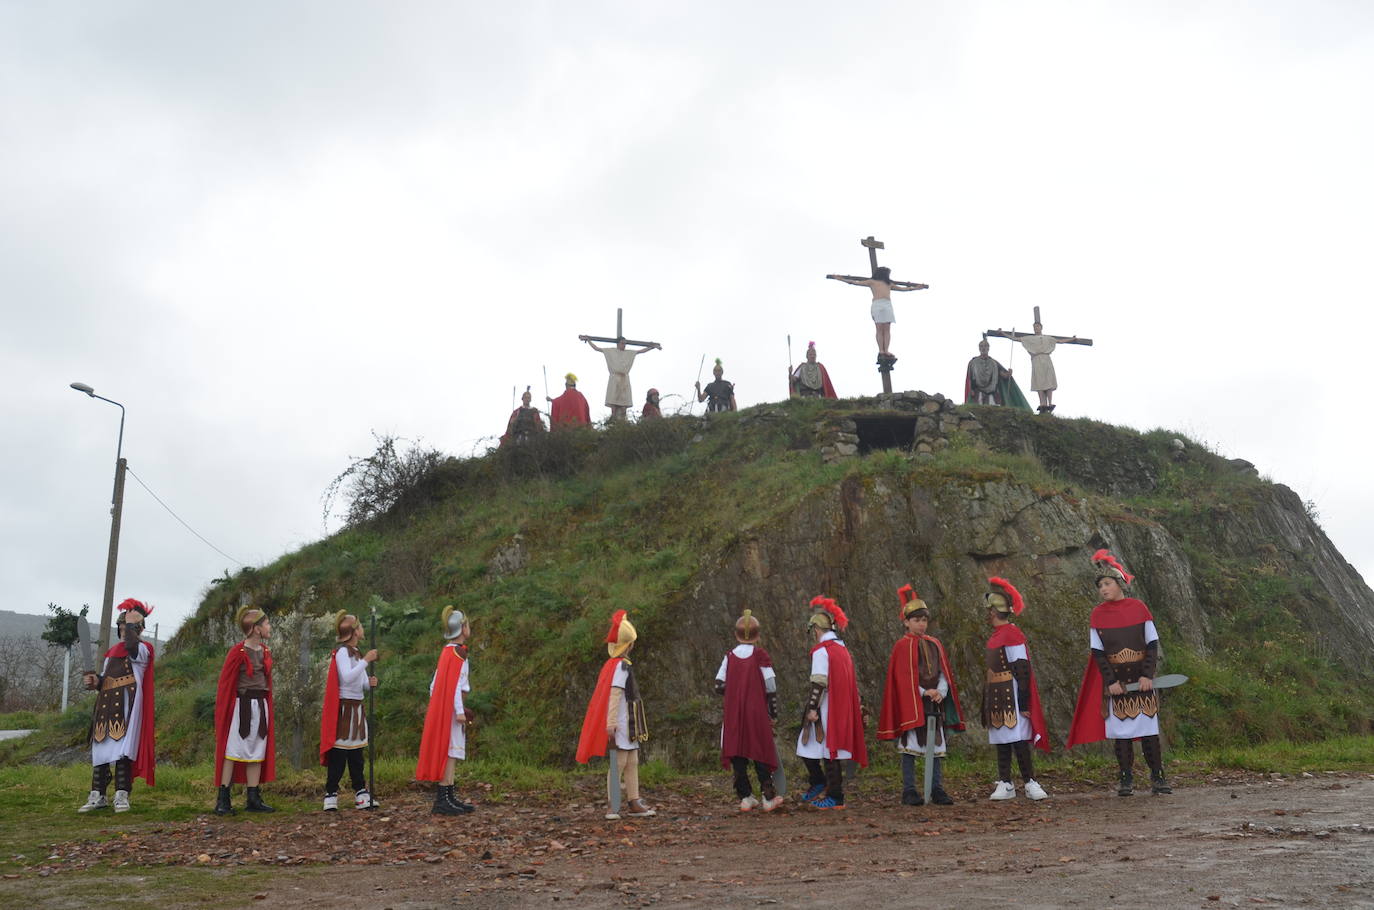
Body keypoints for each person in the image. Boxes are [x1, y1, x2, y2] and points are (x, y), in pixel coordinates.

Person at [1067, 550, 1172, 796]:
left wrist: (1147, 675)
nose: (1102, 589)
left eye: (1107, 583)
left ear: (1119, 584)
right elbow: (1098, 653)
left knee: (1148, 732)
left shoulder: (1139, 608)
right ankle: (1126, 779)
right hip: (1117, 683)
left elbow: (1152, 645)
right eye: (1100, 585)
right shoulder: (1097, 614)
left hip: (1141, 679)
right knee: (1122, 735)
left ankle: (1158, 778)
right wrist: (1110, 681)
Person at [877, 585, 964, 806]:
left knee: (935, 748)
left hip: (935, 705)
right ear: (906, 622)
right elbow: (902, 680)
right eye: (916, 620)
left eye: (924, 620)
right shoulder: (901, 646)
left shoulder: (935, 643)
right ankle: (909, 790)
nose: (921, 624)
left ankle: (936, 789)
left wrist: (940, 691)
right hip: (912, 703)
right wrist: (924, 691)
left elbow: (944, 672)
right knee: (910, 748)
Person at [78, 598, 156, 814]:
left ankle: (122, 794)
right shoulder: (111, 653)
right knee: (101, 748)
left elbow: (131, 646)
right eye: (121, 627)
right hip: (105, 704)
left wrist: (133, 621)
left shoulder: (142, 650)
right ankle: (98, 794)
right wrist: (96, 682)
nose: (123, 631)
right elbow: (105, 679)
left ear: (137, 628)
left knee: (123, 750)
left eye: (127, 627)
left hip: (127, 706)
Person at [576, 610, 656, 820]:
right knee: (618, 763)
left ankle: (634, 800)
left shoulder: (620, 665)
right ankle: (614, 804)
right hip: (621, 722)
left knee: (632, 761)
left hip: (630, 721)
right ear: (629, 645)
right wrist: (611, 722)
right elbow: (614, 694)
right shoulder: (620, 667)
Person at [982, 577, 1050, 801]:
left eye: (990, 610)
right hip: (996, 695)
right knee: (1002, 740)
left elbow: (1022, 669)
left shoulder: (1012, 634)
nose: (988, 614)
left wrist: (1023, 702)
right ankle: (1005, 783)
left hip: (1012, 695)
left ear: (994, 612)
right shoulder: (995, 637)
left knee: (1018, 740)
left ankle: (1030, 782)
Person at [796, 597, 867, 809]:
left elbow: (819, 682)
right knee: (819, 749)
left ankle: (835, 796)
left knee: (825, 750)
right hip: (839, 707)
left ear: (816, 629)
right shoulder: (842, 649)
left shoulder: (822, 650)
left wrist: (812, 708)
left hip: (827, 708)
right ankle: (820, 784)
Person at [715, 609, 782, 812]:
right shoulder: (760, 655)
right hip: (756, 711)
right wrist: (773, 713)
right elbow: (770, 686)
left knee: (738, 751)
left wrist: (736, 692)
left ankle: (745, 797)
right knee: (760, 750)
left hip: (734, 712)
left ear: (736, 634)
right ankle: (767, 798)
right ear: (758, 635)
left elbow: (718, 685)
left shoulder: (729, 657)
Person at [214, 605, 277, 814]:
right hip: (241, 709)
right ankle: (223, 799)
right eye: (266, 623)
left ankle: (253, 798)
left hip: (261, 706)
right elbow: (225, 684)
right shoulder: (237, 651)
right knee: (233, 751)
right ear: (256, 628)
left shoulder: (266, 651)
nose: (269, 626)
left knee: (257, 750)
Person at [415, 606, 476, 815]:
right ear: (462, 628)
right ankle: (443, 798)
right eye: (467, 624)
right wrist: (458, 710)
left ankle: (449, 796)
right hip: (451, 711)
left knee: (452, 751)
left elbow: (435, 686)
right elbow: (455, 686)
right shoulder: (457, 654)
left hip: (447, 709)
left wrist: (442, 704)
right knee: (450, 752)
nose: (469, 628)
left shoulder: (448, 652)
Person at [319, 611, 379, 811]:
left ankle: (361, 791)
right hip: (344, 711)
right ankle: (331, 793)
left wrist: (369, 682)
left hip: (356, 709)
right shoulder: (344, 652)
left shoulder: (357, 652)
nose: (363, 630)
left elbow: (359, 682)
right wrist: (366, 661)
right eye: (360, 627)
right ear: (354, 631)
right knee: (339, 753)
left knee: (356, 754)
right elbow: (346, 677)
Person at [827, 266, 924, 360]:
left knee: (887, 329)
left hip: (887, 304)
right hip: (878, 304)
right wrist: (841, 279)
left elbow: (903, 289)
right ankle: (881, 350)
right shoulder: (872, 282)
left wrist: (915, 288)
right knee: (879, 328)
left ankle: (886, 350)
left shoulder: (889, 283)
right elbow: (855, 282)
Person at [582, 337, 662, 421]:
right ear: (618, 344)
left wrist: (652, 347)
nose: (624, 345)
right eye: (622, 343)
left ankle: (623, 422)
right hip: (614, 379)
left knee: (624, 405)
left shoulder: (629, 353)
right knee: (613, 404)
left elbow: (640, 351)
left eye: (625, 343)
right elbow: (597, 349)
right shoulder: (611, 351)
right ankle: (613, 420)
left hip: (624, 379)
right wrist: (589, 340)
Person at [964, 339, 1031, 409]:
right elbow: (970, 378)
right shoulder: (973, 362)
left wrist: (1008, 374)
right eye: (981, 346)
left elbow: (1002, 374)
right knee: (978, 409)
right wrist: (971, 389)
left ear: (988, 348)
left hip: (992, 391)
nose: (983, 348)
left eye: (985, 346)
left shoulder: (994, 363)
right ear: (979, 348)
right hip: (977, 390)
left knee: (993, 408)